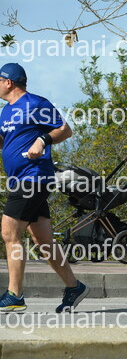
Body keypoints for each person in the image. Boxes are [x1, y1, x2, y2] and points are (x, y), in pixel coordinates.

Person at [0, 63, 89, 313]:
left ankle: (15, 295)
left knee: (9, 232)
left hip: (34, 177)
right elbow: (5, 141)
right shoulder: (6, 111)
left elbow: (65, 130)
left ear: (9, 82)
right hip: (19, 179)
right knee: (43, 240)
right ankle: (74, 286)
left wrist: (42, 140)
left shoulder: (36, 104)